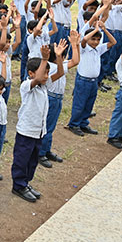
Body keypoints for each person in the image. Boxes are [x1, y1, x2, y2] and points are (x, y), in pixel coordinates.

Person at [10, 48, 50, 203]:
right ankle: (18, 185)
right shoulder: (27, 85)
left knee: (32, 160)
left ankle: (25, 183)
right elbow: (39, 77)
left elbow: (60, 73)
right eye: (43, 73)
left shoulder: (43, 87)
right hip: (26, 131)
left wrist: (58, 57)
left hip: (38, 132)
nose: (46, 76)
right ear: (31, 73)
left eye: (47, 73)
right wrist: (45, 59)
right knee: (21, 159)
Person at [38, 33, 81, 167]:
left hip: (57, 99)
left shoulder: (59, 64)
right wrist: (59, 56)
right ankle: (40, 153)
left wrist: (75, 44)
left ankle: (46, 150)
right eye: (62, 55)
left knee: (51, 126)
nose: (64, 57)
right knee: (46, 126)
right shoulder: (51, 67)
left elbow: (76, 61)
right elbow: (61, 72)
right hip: (50, 98)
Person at [66, 21, 116, 136]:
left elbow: (113, 42)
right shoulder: (83, 48)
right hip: (83, 81)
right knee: (79, 103)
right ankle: (74, 124)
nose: (96, 42)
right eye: (93, 39)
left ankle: (83, 123)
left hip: (94, 81)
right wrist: (95, 30)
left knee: (89, 103)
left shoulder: (98, 49)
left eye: (98, 40)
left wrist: (105, 29)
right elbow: (83, 40)